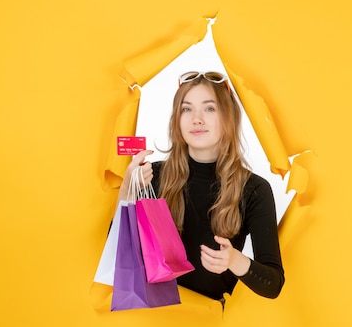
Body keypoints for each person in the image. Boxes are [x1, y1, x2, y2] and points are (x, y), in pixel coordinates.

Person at [117, 71, 285, 302]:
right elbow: (121, 258)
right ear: (177, 119)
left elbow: (273, 284)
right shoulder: (152, 177)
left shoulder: (254, 189)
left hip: (211, 326)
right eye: (186, 109)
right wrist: (128, 189)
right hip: (154, 321)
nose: (197, 119)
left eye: (209, 108)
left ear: (228, 118)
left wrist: (235, 261)